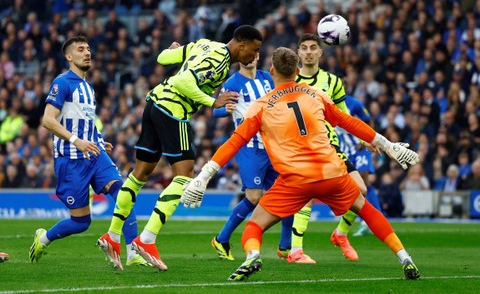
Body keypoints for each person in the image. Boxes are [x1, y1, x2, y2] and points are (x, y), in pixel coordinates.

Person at [181, 47, 420, 281]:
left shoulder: (261, 106)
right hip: (332, 174)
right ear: (297, 70)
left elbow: (234, 142)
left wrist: (204, 175)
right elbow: (349, 122)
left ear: (272, 70)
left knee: (254, 226)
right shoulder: (316, 94)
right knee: (366, 209)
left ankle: (253, 255)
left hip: (296, 181)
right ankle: (405, 257)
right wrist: (389, 145)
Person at [98, 25, 263, 270]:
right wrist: (212, 101)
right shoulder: (220, 59)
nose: (255, 55)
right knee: (184, 176)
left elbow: (162, 58)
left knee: (139, 174)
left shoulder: (205, 44)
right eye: (254, 48)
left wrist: (176, 51)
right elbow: (183, 79)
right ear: (241, 43)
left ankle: (112, 236)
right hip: (173, 111)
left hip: (154, 103)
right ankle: (147, 240)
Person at [29, 35, 148, 269]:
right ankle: (43, 238)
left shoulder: (88, 88)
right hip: (70, 160)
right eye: (81, 49)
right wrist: (77, 141)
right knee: (81, 222)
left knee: (124, 194)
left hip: (94, 154)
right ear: (69, 56)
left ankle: (133, 252)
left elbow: (88, 122)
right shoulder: (62, 83)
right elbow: (47, 120)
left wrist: (99, 141)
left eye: (88, 49)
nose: (87, 53)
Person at [280, 34, 373, 263]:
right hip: (301, 147)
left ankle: (340, 234)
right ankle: (295, 251)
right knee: (307, 197)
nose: (309, 52)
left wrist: (366, 137)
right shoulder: (290, 81)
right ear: (298, 53)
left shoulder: (333, 82)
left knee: (360, 190)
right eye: (304, 48)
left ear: (321, 52)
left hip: (330, 145)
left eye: (313, 48)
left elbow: (344, 116)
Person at [210, 53, 293, 261]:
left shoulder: (267, 78)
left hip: (273, 145)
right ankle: (222, 239)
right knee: (254, 197)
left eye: (253, 54)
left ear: (257, 55)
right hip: (249, 146)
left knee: (290, 192)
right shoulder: (233, 83)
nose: (249, 58)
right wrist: (224, 110)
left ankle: (286, 247)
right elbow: (216, 111)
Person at [336, 95, 383, 236]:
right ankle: (366, 219)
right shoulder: (325, 101)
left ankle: (376, 218)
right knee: (353, 186)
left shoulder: (354, 103)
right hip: (344, 150)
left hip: (360, 148)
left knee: (363, 181)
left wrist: (366, 139)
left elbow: (368, 121)